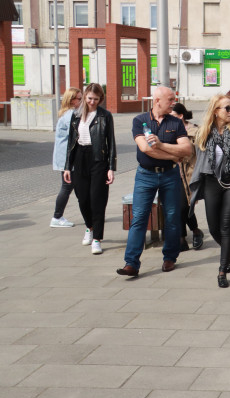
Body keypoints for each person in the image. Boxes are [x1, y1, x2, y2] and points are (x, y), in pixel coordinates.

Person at [117, 86, 191, 277]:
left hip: (170, 175)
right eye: (170, 100)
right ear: (157, 100)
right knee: (139, 217)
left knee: (173, 217)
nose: (173, 103)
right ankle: (131, 263)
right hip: (145, 175)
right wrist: (173, 155)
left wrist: (161, 145)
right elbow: (145, 149)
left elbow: (187, 150)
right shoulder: (140, 120)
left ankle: (169, 257)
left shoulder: (176, 122)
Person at [189, 94, 230, 288]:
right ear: (215, 111)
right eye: (226, 108)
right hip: (211, 182)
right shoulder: (204, 132)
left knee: (226, 227)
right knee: (213, 228)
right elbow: (199, 160)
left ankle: (222, 270)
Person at [63, 83, 116, 255]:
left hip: (98, 159)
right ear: (85, 96)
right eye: (90, 98)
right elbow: (70, 143)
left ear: (101, 99)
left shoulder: (105, 116)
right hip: (79, 158)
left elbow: (111, 143)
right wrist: (67, 167)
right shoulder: (76, 115)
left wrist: (111, 167)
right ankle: (89, 227)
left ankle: (97, 239)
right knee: (82, 198)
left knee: (97, 200)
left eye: (96, 99)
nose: (93, 102)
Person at [172, 103, 204, 252]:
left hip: (190, 173)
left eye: (172, 116)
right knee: (179, 206)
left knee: (185, 206)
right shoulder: (167, 130)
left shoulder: (195, 131)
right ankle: (183, 237)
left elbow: (197, 155)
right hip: (172, 173)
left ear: (180, 116)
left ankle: (194, 232)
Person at [50, 88, 82, 229]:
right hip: (67, 158)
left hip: (65, 157)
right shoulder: (70, 115)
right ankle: (57, 217)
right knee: (67, 186)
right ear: (71, 100)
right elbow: (76, 136)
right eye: (79, 99)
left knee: (75, 187)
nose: (81, 102)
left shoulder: (66, 113)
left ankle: (90, 214)